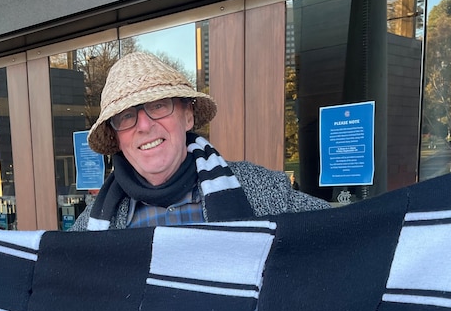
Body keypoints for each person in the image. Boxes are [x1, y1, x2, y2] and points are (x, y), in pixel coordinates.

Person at [70, 52, 328, 231]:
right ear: (116, 137)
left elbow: (346, 236)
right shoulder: (89, 227)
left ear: (188, 116)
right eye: (127, 116)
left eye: (158, 105)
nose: (145, 125)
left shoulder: (266, 192)